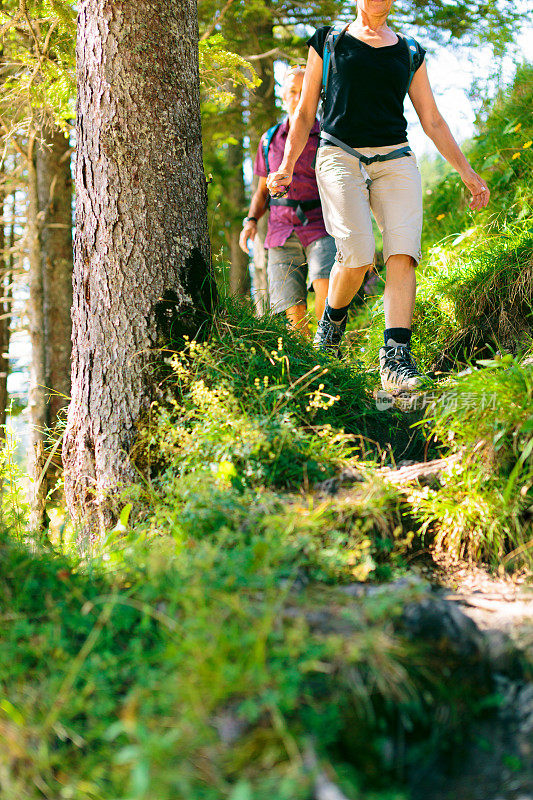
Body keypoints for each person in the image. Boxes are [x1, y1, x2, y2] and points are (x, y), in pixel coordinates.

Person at [266, 0, 490, 391]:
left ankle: (396, 358)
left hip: (395, 159)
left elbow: (432, 119)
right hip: (339, 154)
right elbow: (304, 113)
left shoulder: (410, 51)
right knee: (357, 253)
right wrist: (286, 165)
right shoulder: (330, 41)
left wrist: (467, 173)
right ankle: (332, 324)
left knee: (403, 252)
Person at [239, 66, 336, 335]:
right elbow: (261, 192)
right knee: (293, 311)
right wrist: (250, 221)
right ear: (283, 96)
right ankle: (310, 366)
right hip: (280, 231)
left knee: (326, 289)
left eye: (305, 92)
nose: (298, 97)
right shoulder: (269, 140)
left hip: (321, 225)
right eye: (293, 91)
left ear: (316, 97)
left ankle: (327, 348)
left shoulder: (328, 136)